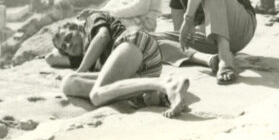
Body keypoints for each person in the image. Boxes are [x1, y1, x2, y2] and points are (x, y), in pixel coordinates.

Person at [45, 11, 189, 118]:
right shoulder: (84, 56)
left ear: (77, 28)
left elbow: (103, 37)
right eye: (64, 47)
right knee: (69, 83)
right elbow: (50, 58)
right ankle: (157, 94)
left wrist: (80, 70)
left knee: (96, 95)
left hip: (136, 44)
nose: (69, 45)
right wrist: (68, 57)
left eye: (69, 37)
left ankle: (165, 83)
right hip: (140, 70)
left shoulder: (91, 21)